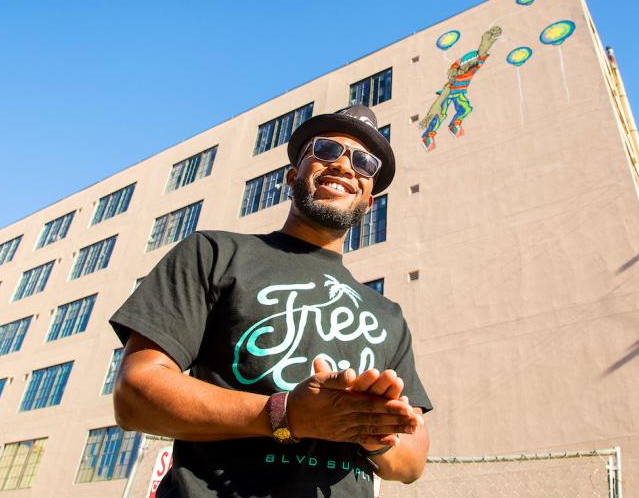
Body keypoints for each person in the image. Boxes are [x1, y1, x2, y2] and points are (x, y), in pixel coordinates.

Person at [109, 104, 433, 498]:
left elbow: (413, 461)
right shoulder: (213, 253)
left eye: (365, 163)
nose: (346, 166)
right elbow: (135, 394)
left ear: (368, 200)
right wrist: (285, 415)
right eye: (327, 150)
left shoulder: (388, 315)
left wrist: (373, 431)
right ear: (293, 175)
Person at [419, 25, 502, 151]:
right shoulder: (457, 74)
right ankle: (428, 137)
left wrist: (490, 38)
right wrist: (435, 107)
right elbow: (447, 87)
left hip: (460, 93)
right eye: (464, 66)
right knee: (441, 115)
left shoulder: (473, 67)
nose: (466, 68)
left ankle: (455, 124)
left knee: (466, 109)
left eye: (468, 66)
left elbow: (482, 52)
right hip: (450, 93)